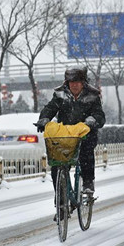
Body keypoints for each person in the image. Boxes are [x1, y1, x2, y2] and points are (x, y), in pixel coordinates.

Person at [36, 66, 105, 195]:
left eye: (77, 82)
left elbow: (100, 116)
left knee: (86, 154)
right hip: (66, 136)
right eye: (71, 82)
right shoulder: (60, 94)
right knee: (57, 165)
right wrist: (44, 118)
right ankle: (61, 201)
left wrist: (92, 121)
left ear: (83, 82)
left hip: (85, 135)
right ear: (67, 83)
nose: (74, 85)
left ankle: (88, 182)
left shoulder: (92, 96)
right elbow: (50, 108)